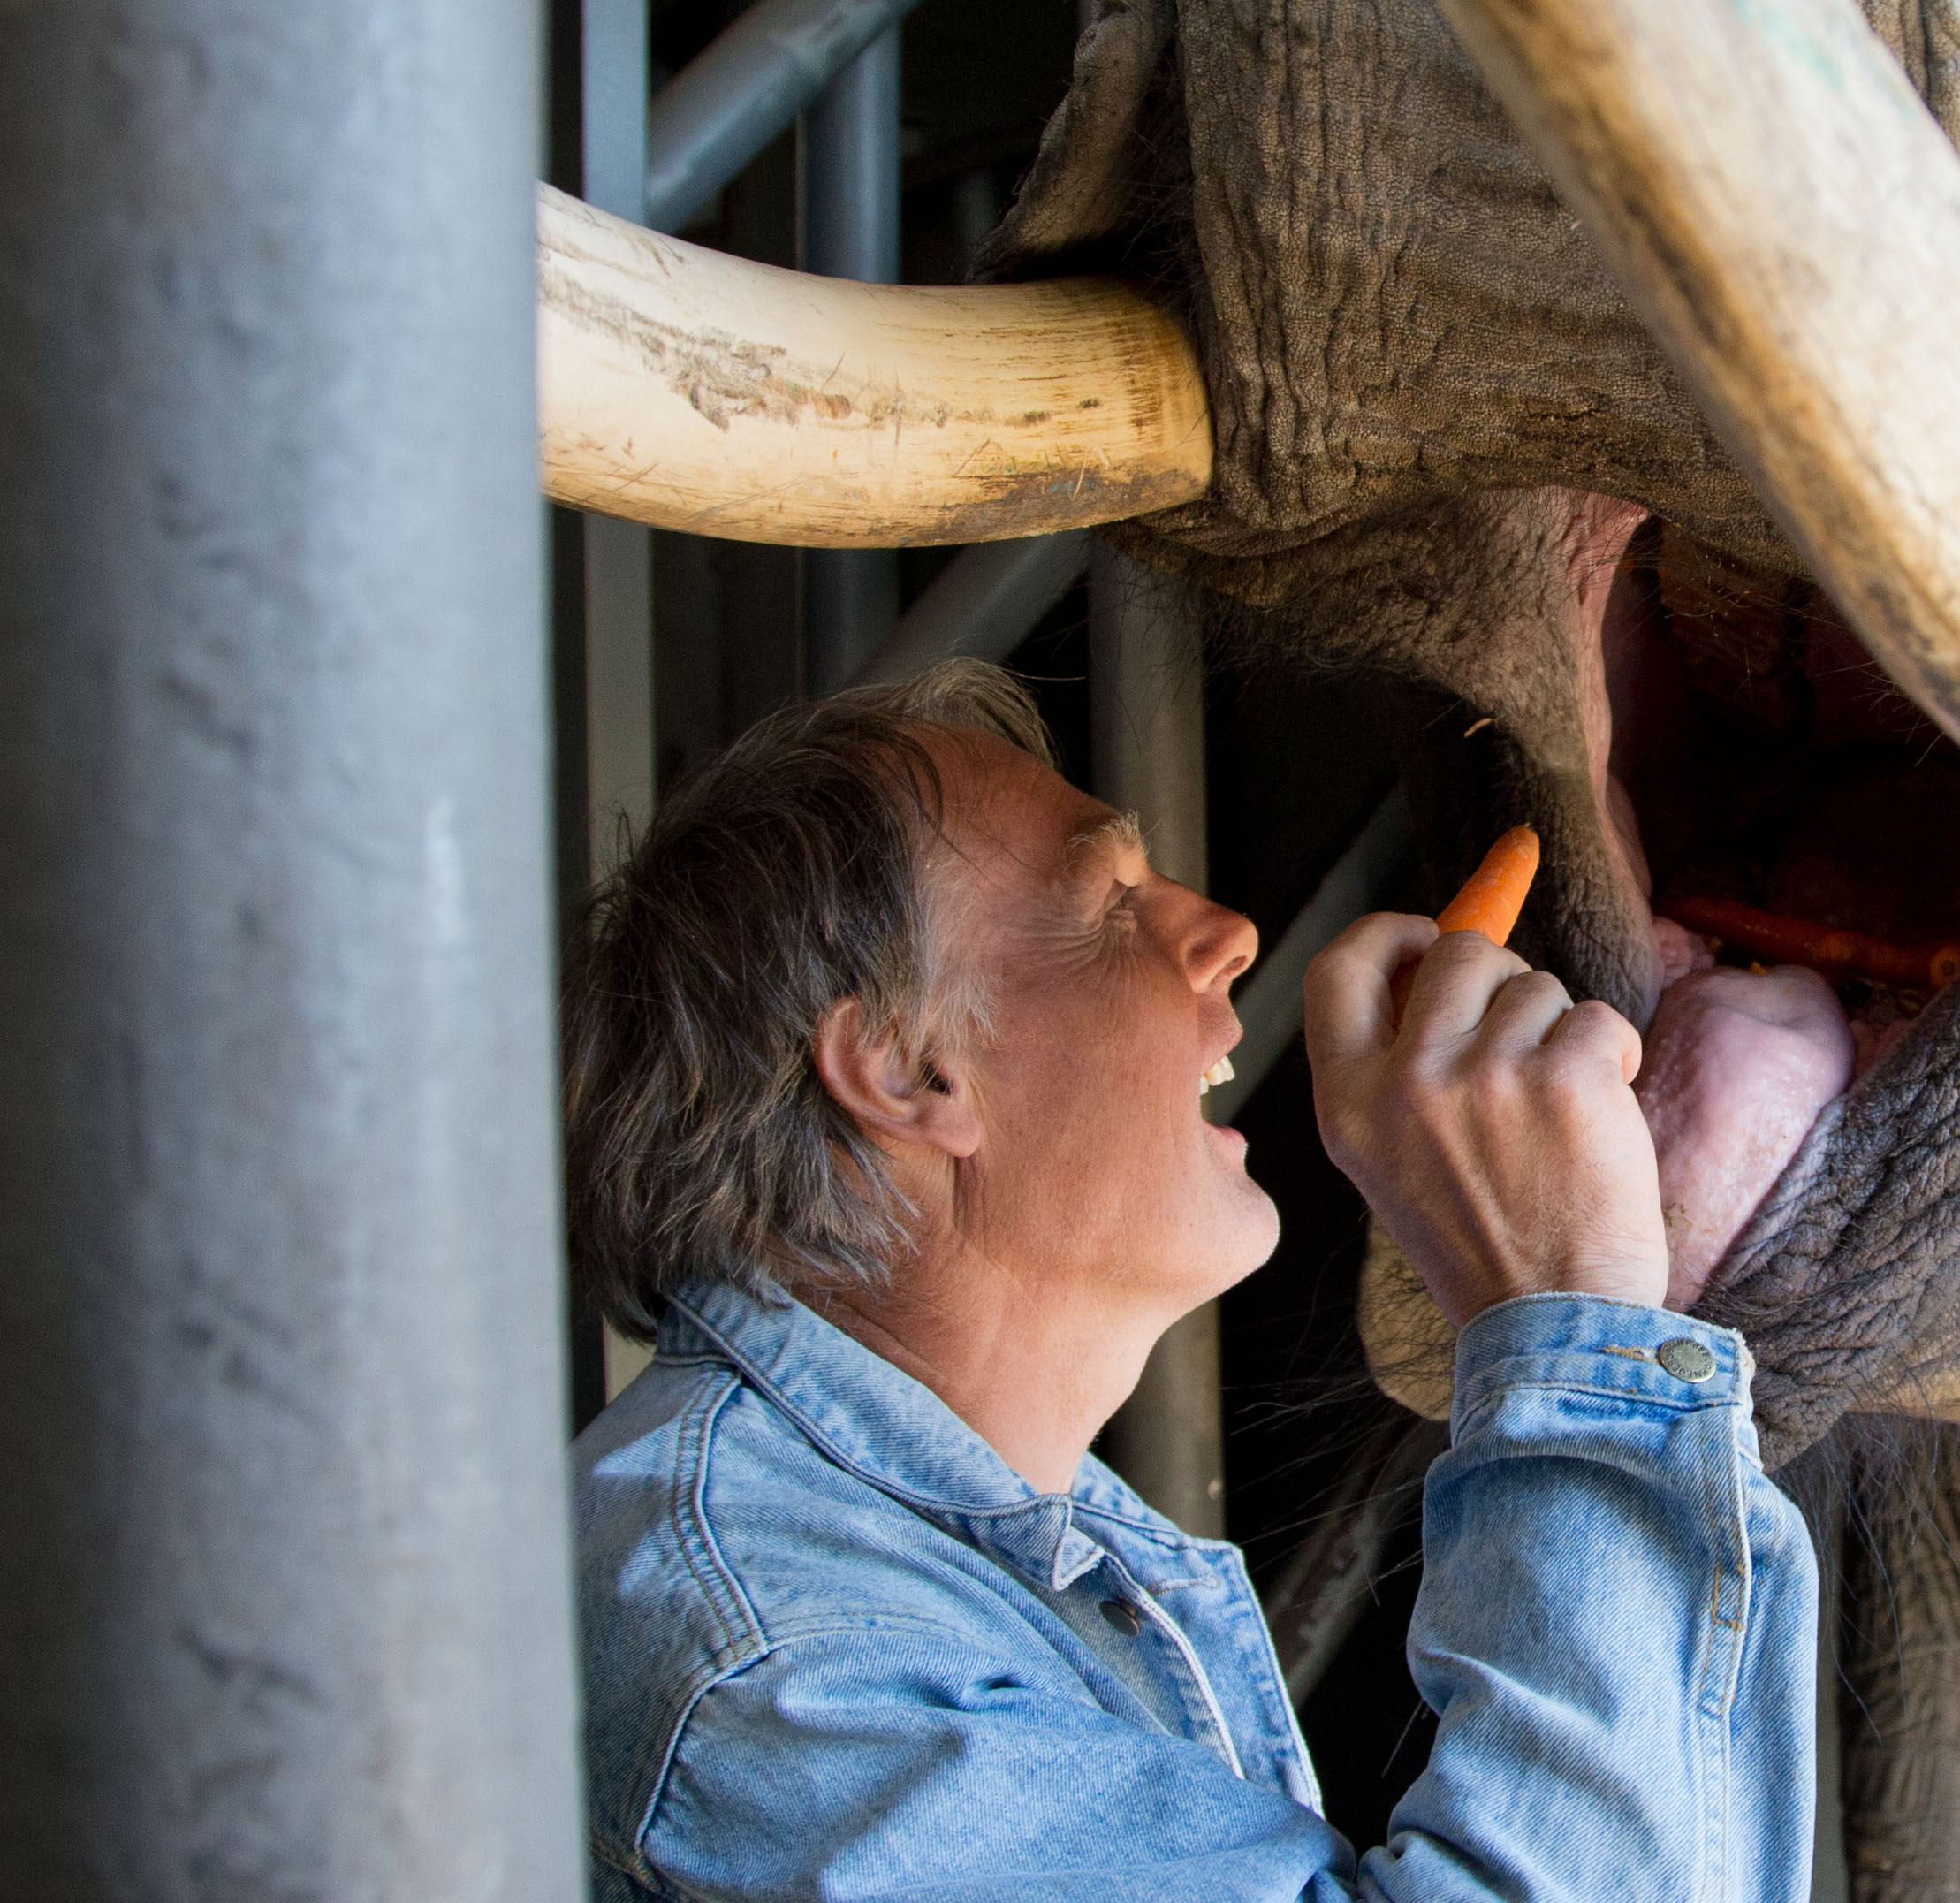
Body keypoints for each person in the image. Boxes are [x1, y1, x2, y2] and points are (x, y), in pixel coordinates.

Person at [563, 662, 1813, 1900]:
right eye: (1109, 901)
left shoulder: (938, 1575)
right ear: (904, 1071)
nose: (1227, 934)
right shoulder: (792, 1677)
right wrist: (1561, 1314)